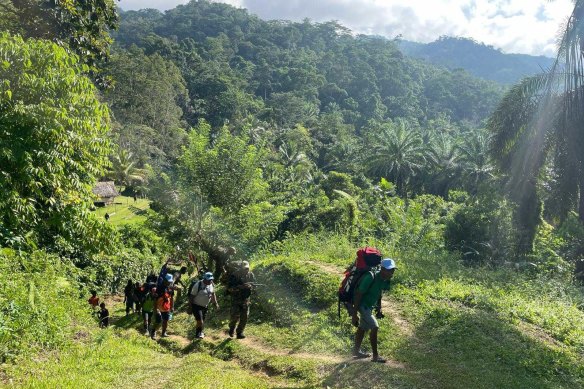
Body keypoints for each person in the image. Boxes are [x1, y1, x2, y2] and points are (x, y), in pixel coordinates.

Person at [351, 258, 396, 363]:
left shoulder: (384, 279)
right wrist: (354, 313)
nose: (391, 273)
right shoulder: (370, 277)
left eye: (393, 270)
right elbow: (358, 294)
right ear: (382, 269)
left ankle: (356, 351)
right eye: (389, 270)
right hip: (362, 305)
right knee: (375, 327)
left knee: (362, 328)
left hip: (369, 307)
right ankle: (375, 356)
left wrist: (379, 308)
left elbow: (379, 292)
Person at [227, 261, 255, 339]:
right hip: (236, 299)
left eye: (247, 268)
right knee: (234, 317)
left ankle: (239, 332)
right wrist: (240, 287)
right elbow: (229, 288)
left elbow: (254, 285)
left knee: (245, 317)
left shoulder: (251, 275)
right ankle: (231, 329)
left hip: (246, 299)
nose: (246, 270)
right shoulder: (235, 275)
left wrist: (250, 286)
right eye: (244, 268)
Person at [189, 272, 219, 339]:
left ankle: (198, 334)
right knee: (200, 321)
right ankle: (201, 333)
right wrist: (190, 307)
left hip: (205, 306)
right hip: (196, 305)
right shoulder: (198, 285)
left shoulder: (211, 285)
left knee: (201, 320)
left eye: (211, 279)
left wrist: (215, 303)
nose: (210, 281)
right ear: (204, 279)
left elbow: (213, 294)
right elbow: (191, 297)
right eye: (208, 280)